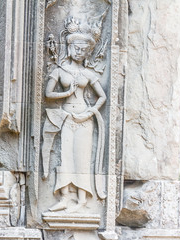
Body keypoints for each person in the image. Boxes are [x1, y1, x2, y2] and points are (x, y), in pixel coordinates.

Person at [42, 17, 106, 212]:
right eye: (77, 48)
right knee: (65, 156)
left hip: (84, 120)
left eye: (84, 50)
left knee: (82, 157)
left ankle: (82, 200)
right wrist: (67, 93)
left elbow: (102, 97)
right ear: (69, 47)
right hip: (67, 117)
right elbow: (47, 94)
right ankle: (64, 198)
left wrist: (89, 113)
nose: (80, 52)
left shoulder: (88, 73)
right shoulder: (60, 71)